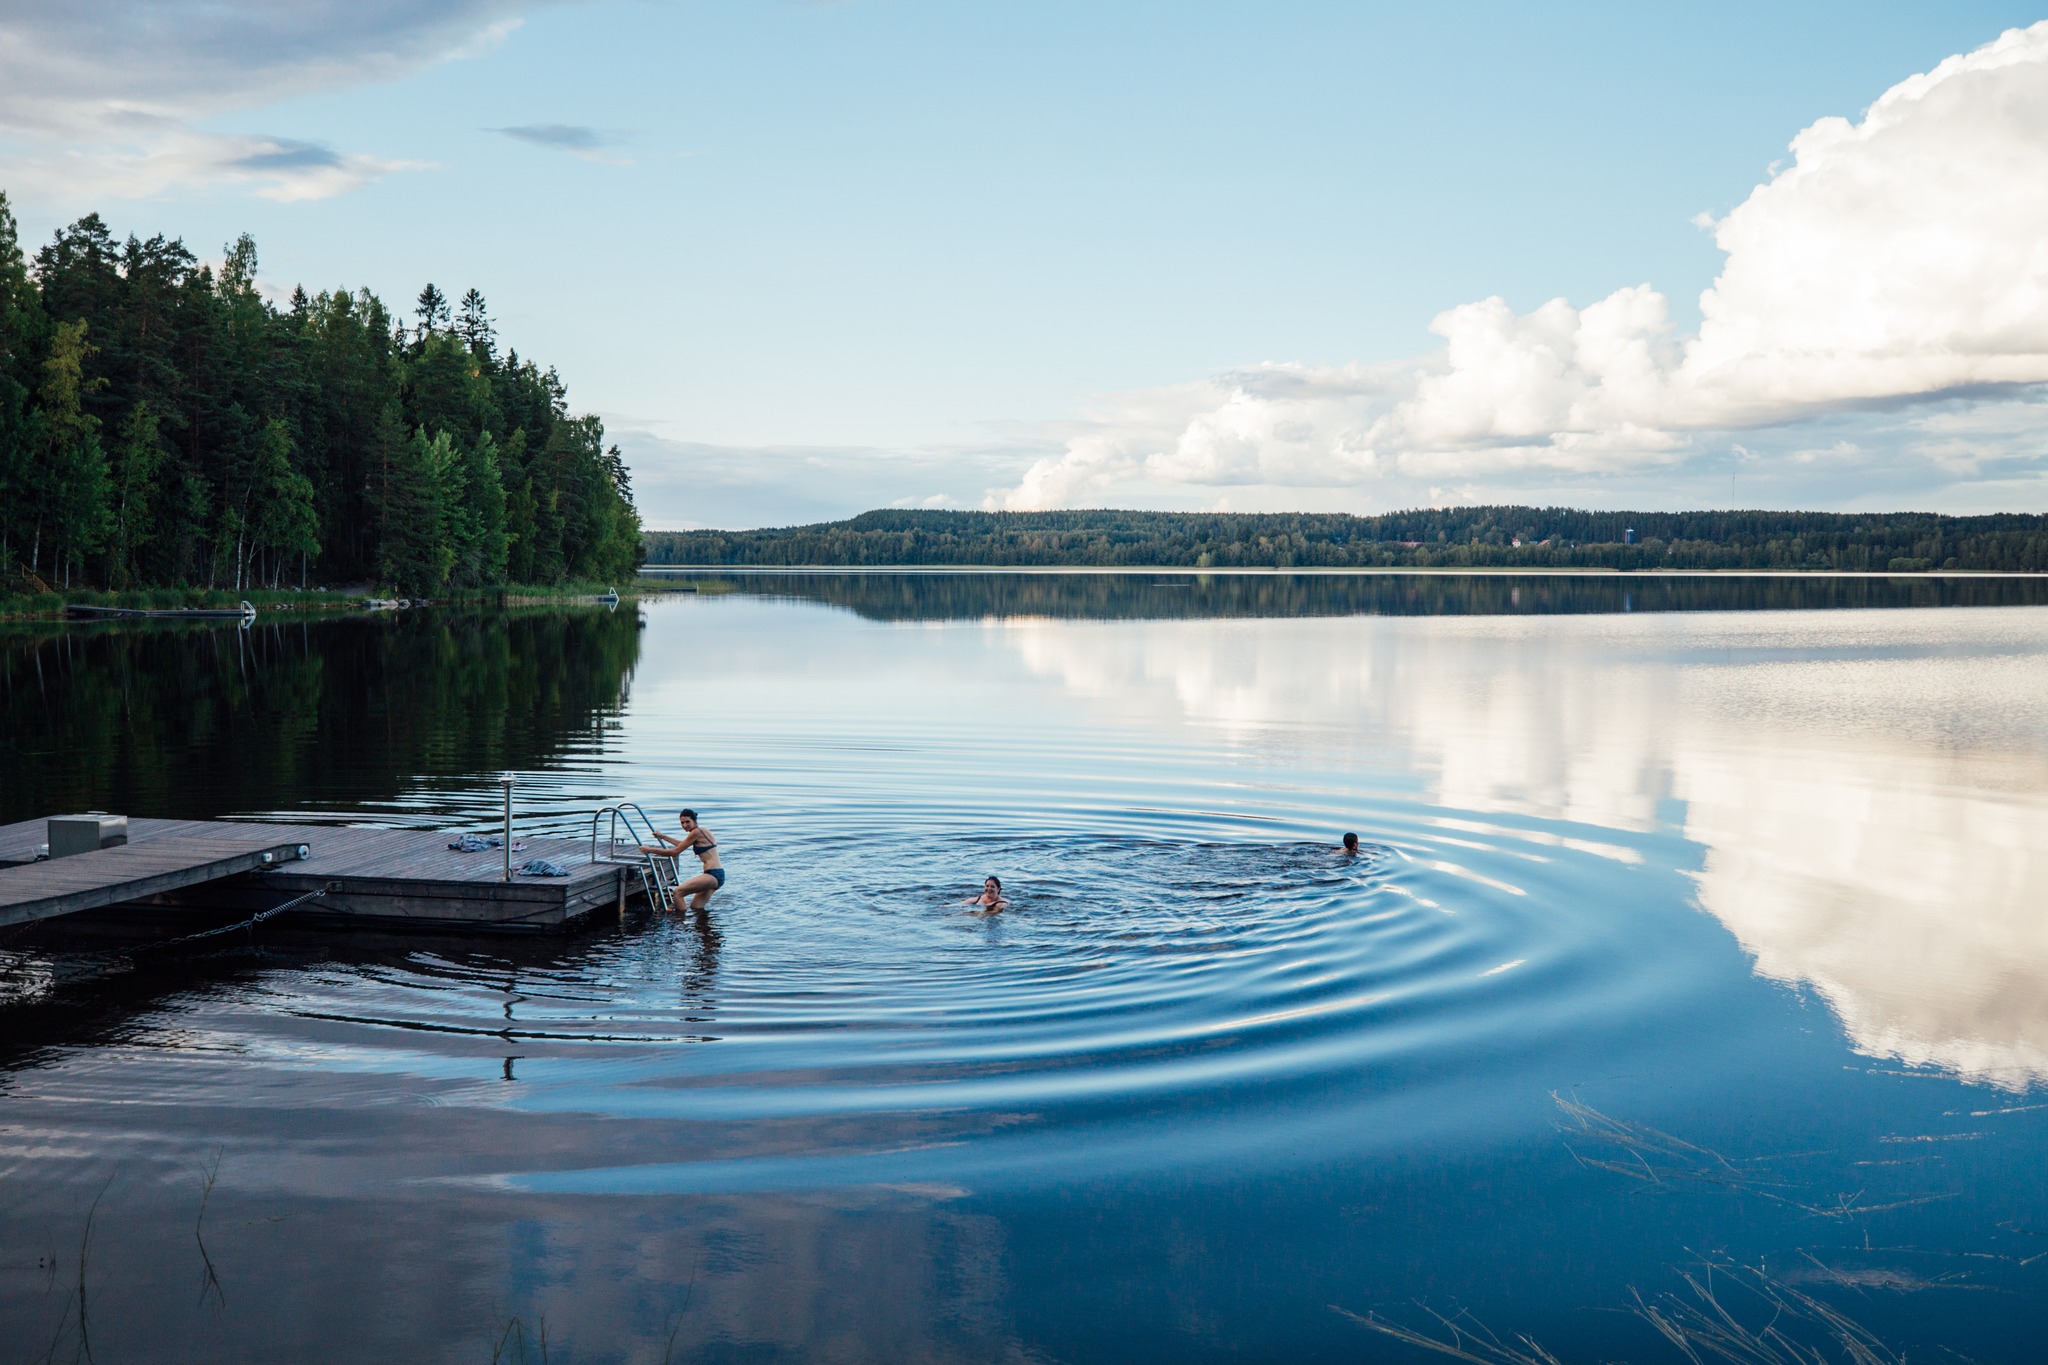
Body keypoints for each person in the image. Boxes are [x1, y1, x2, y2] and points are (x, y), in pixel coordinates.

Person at [641, 808, 724, 912]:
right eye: (682, 823)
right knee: (696, 908)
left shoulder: (697, 832)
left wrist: (649, 850)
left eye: (687, 822)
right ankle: (701, 926)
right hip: (717, 875)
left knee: (678, 893)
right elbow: (681, 844)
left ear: (694, 820)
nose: (685, 825)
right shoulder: (701, 832)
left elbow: (675, 852)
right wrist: (662, 836)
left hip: (713, 875)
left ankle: (680, 925)